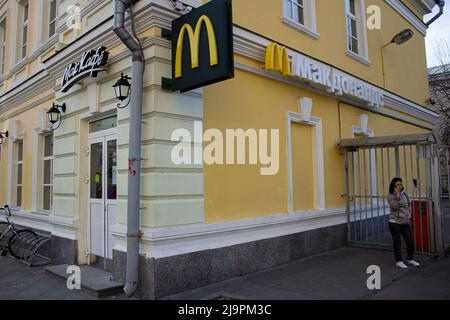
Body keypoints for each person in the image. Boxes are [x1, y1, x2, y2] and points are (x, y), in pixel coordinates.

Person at [387, 178, 420, 269]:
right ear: (393, 186)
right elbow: (394, 207)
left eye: (400, 184)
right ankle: (399, 261)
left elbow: (408, 207)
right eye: (397, 185)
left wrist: (410, 218)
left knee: (410, 242)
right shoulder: (390, 196)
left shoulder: (404, 194)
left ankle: (410, 259)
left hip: (405, 222)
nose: (399, 186)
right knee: (397, 242)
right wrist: (397, 196)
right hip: (394, 222)